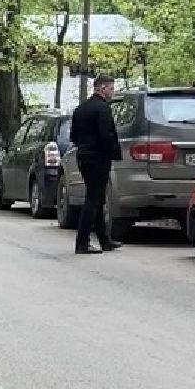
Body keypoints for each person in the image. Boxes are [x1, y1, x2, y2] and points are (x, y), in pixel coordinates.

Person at [69, 74, 123, 254]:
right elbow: (106, 135)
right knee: (93, 199)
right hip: (98, 157)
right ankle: (82, 243)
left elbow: (74, 136)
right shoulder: (103, 109)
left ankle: (104, 240)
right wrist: (114, 152)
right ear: (103, 89)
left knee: (98, 198)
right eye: (112, 89)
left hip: (83, 156)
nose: (113, 93)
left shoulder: (80, 109)